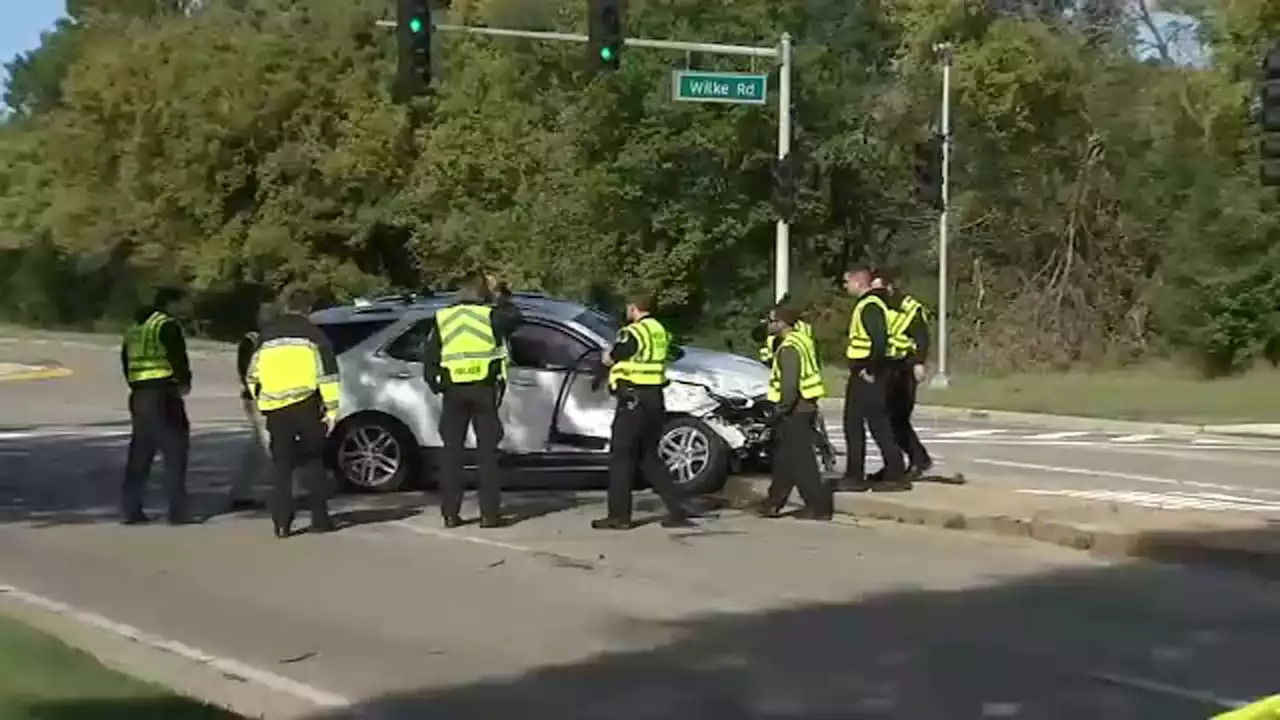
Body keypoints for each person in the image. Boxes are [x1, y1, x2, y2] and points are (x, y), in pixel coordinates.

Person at [421, 272, 522, 529]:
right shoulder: (492, 316)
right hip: (484, 391)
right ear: (484, 292)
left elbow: (430, 359)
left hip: (454, 392)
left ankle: (450, 514)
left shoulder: (443, 318)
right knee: (487, 455)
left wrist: (440, 385)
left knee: (452, 454)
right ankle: (489, 515)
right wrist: (502, 294)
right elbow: (518, 319)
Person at [593, 293, 694, 530]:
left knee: (621, 458)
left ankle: (619, 516)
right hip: (654, 400)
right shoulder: (660, 331)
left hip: (632, 401)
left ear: (633, 308)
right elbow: (675, 354)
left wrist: (606, 356)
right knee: (649, 458)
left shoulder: (632, 332)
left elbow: (612, 358)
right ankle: (678, 510)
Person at [246, 288, 339, 538]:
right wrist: (331, 410)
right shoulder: (314, 335)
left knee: (281, 467)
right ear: (308, 309)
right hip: (306, 405)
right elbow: (329, 375)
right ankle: (320, 519)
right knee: (314, 462)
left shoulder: (266, 337)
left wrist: (262, 401)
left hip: (275, 409)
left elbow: (252, 376)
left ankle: (281, 523)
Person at [752, 304, 833, 520]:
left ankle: (818, 507)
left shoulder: (788, 348)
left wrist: (779, 412)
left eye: (771, 321)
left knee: (802, 462)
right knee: (784, 459)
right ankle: (773, 502)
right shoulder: (802, 340)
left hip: (795, 410)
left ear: (781, 323)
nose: (768, 325)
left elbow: (789, 385)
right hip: (804, 406)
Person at [120, 287, 192, 525]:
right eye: (181, 303)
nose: (184, 308)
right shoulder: (166, 325)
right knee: (175, 450)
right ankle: (177, 511)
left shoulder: (135, 327)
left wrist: (135, 383)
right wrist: (184, 382)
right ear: (171, 303)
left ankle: (131, 509)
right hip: (163, 393)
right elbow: (177, 356)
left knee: (141, 452)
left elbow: (125, 360)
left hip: (140, 394)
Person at [839, 267, 909, 492]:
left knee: (877, 424)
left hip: (869, 373)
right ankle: (855, 475)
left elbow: (879, 339)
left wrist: (871, 369)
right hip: (864, 372)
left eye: (846, 281)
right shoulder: (870, 304)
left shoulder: (870, 306)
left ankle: (895, 474)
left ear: (859, 282)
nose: (844, 286)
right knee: (854, 423)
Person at [874, 272, 934, 479]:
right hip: (887, 367)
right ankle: (894, 463)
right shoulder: (880, 306)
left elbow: (922, 336)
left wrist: (919, 362)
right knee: (886, 419)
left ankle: (918, 460)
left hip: (905, 367)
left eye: (880, 288)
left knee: (898, 418)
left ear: (890, 286)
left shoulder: (910, 307)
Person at [228, 301, 275, 511]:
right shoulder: (254, 340)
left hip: (263, 397)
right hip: (258, 399)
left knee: (259, 446)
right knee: (268, 446)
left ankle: (243, 491)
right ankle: (281, 492)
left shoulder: (265, 340)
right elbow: (247, 372)